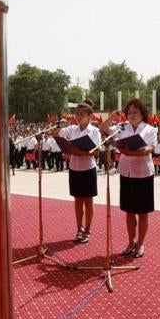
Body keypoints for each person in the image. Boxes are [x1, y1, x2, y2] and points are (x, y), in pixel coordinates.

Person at [101, 98, 157, 258]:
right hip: (126, 171)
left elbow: (149, 148)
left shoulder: (149, 129)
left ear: (142, 113)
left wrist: (131, 152)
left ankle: (140, 243)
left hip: (143, 173)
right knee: (129, 210)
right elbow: (103, 130)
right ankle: (131, 241)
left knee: (143, 211)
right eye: (129, 112)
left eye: (136, 112)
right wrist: (111, 117)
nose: (132, 115)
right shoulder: (121, 127)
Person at [53, 99, 101, 244]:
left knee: (88, 200)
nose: (78, 117)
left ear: (90, 116)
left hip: (88, 168)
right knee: (77, 200)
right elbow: (56, 134)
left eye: (82, 114)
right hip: (74, 168)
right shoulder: (72, 129)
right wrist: (57, 126)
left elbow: (97, 152)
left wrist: (79, 151)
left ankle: (87, 229)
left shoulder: (94, 131)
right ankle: (79, 229)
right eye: (77, 114)